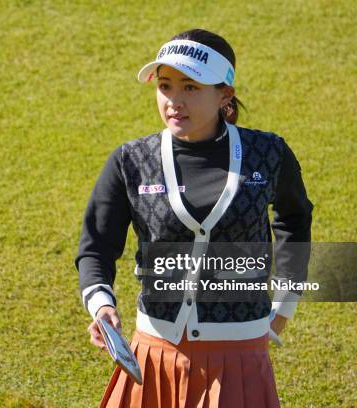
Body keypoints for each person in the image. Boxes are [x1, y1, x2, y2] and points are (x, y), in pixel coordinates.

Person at [75, 28, 313, 408]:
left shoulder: (269, 153)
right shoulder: (130, 160)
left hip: (239, 355)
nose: (174, 101)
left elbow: (294, 220)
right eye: (165, 86)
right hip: (154, 354)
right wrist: (102, 306)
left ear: (224, 95)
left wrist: (284, 305)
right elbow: (95, 248)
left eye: (190, 88)